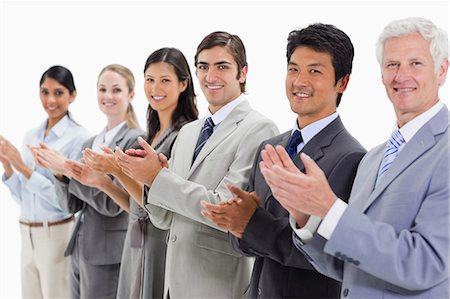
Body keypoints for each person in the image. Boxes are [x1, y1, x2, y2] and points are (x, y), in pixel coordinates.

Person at [260, 17, 449, 298]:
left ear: (442, 70)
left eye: (415, 63)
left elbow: (425, 264)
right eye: (392, 65)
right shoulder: (373, 160)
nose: (401, 75)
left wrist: (330, 209)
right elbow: (346, 267)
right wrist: (306, 218)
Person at [201, 23, 367, 298]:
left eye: (314, 71)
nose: (299, 81)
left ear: (342, 82)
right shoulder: (270, 146)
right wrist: (237, 222)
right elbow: (243, 242)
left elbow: (329, 256)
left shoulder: (351, 158)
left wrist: (251, 223)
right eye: (293, 69)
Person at [114, 31, 279, 298]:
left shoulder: (259, 128)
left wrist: (159, 179)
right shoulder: (189, 132)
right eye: (203, 67)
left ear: (243, 73)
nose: (210, 76)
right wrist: (149, 179)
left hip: (218, 285)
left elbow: (225, 209)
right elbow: (165, 218)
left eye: (222, 66)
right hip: (173, 283)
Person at [82, 47, 198, 299]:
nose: (156, 88)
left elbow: (162, 207)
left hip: (161, 243)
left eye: (165, 80)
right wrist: (101, 181)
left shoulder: (185, 135)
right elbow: (135, 204)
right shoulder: (148, 136)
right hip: (135, 244)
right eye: (150, 79)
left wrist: (116, 169)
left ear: (183, 84)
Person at [35, 64, 144, 298]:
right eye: (102, 89)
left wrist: (68, 170)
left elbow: (113, 204)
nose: (108, 96)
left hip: (107, 251)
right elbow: (71, 206)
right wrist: (59, 174)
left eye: (116, 90)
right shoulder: (90, 143)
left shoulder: (135, 140)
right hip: (79, 246)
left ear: (131, 95)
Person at [0, 65, 90, 298]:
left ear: (73, 95)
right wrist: (9, 166)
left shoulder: (79, 138)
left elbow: (65, 201)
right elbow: (24, 197)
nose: (50, 100)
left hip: (57, 235)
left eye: (58, 92)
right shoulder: (31, 135)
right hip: (27, 232)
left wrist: (22, 167)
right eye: (44, 92)